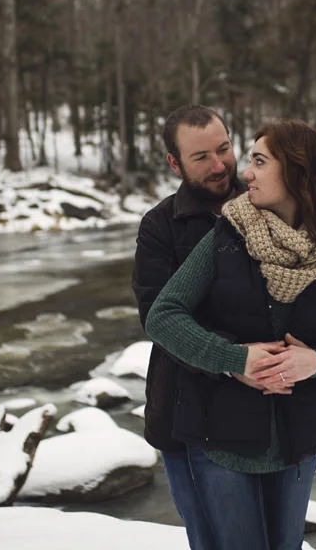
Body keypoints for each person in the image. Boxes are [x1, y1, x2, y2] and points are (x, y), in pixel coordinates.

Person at [145, 119, 316, 550]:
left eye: (260, 162)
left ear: (299, 174)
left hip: (298, 441)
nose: (244, 173)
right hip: (220, 437)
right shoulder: (226, 236)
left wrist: (315, 363)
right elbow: (162, 316)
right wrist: (235, 359)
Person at [132, 104, 254, 550]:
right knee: (212, 540)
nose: (219, 164)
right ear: (174, 163)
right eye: (201, 156)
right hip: (187, 409)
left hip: (268, 407)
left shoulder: (269, 202)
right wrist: (235, 357)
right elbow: (157, 317)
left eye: (224, 149)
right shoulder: (161, 226)